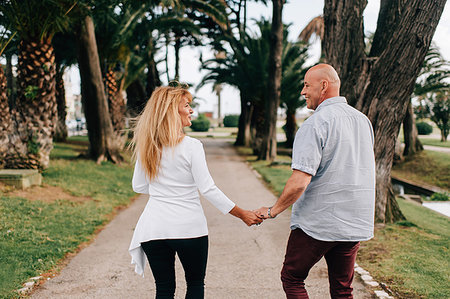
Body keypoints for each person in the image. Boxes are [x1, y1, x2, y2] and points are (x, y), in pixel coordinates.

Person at [128, 84, 262, 299]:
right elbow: (207, 189)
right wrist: (243, 214)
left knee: (163, 289)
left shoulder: (148, 146)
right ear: (172, 110)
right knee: (195, 284)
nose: (191, 110)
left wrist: (162, 188)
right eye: (187, 105)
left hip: (154, 228)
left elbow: (139, 186)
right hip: (189, 228)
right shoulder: (191, 146)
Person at [255, 64, 375, 299]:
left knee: (292, 278)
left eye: (306, 85)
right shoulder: (363, 121)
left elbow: (300, 180)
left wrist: (272, 211)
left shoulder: (315, 124)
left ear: (323, 86)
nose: (302, 91)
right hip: (353, 223)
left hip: (319, 223)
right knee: (343, 289)